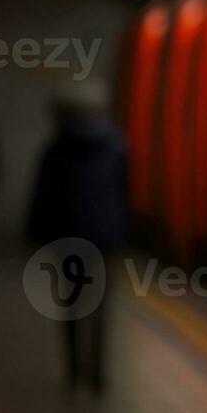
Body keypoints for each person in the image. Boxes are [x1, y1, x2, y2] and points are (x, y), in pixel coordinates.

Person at [27, 78, 128, 393]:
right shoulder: (116, 145)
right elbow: (124, 192)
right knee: (100, 306)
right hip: (103, 236)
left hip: (67, 235)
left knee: (71, 303)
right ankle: (97, 373)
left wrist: (34, 234)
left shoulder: (56, 148)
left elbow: (42, 196)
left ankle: (72, 371)